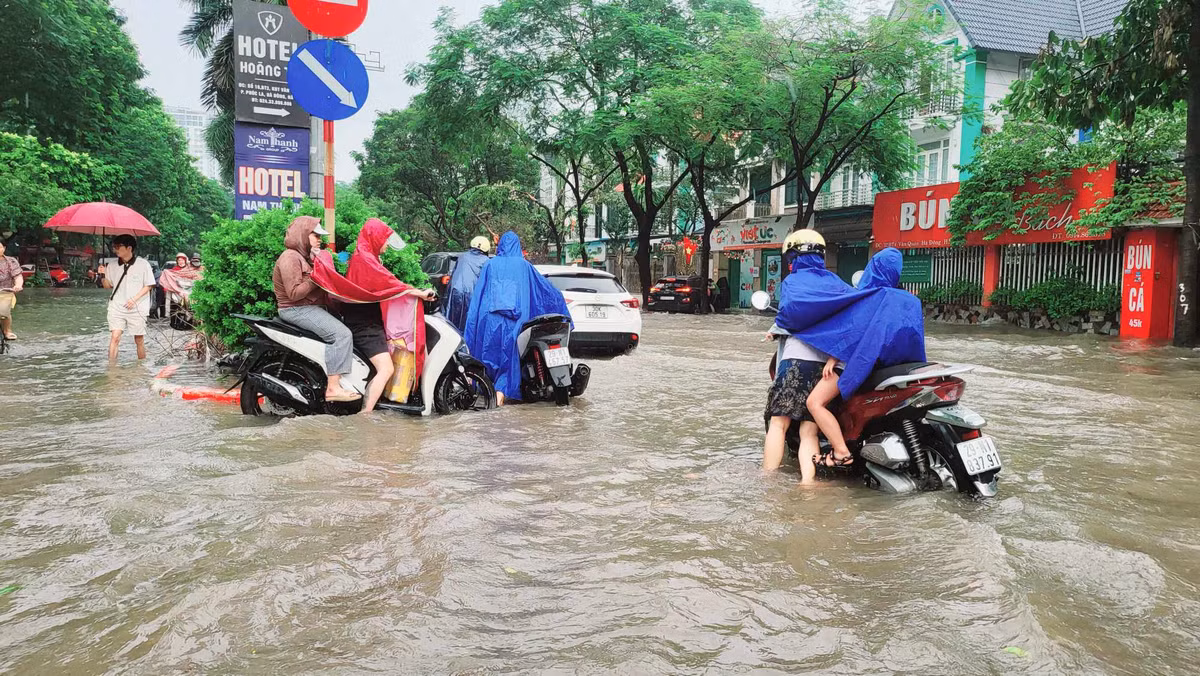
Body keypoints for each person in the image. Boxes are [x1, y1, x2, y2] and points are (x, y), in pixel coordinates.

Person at [776, 243, 925, 469]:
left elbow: (851, 332)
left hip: (860, 364)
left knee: (814, 403)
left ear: (873, 269)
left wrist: (834, 357)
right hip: (896, 369)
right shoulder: (911, 300)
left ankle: (841, 451)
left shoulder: (871, 295)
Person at [311, 219, 435, 414]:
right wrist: (418, 293)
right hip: (365, 325)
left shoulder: (367, 257)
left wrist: (413, 291)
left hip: (368, 322)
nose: (386, 245)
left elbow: (387, 283)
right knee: (387, 369)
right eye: (384, 240)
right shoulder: (365, 260)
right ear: (375, 238)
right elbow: (389, 283)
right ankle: (365, 414)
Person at [762, 231, 850, 480]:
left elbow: (789, 315)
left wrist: (774, 329)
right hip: (826, 367)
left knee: (779, 424)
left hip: (795, 362)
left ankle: (768, 481)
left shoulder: (792, 281)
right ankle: (808, 484)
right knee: (809, 432)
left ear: (793, 256)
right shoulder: (836, 282)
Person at [463, 230, 569, 405]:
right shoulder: (524, 266)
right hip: (515, 322)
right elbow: (542, 290)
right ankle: (501, 393)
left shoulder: (490, 265)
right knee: (510, 358)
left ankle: (487, 390)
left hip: (489, 322)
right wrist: (560, 302)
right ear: (518, 245)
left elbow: (478, 296)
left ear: (501, 246)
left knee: (488, 356)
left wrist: (472, 323)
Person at [272, 216, 360, 403]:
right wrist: (316, 276)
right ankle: (333, 388)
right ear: (303, 234)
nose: (320, 239)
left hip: (310, 308)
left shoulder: (303, 256)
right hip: (296, 309)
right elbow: (294, 293)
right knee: (341, 335)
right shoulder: (290, 257)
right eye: (315, 235)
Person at [100, 234, 156, 361]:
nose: (115, 249)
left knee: (139, 339)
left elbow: (149, 285)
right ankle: (112, 370)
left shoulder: (143, 264)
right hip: (117, 306)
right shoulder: (112, 265)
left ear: (129, 248)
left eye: (119, 246)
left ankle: (141, 368)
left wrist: (134, 299)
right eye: (115, 246)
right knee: (115, 336)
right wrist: (102, 275)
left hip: (137, 306)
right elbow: (107, 286)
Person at [442, 235, 491, 332]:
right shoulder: (486, 261)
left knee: (452, 319)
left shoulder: (462, 257)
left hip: (455, 291)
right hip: (472, 294)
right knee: (468, 322)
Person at [0, 240, 23, 341]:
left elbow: (18, 276)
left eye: (0, 247)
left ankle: (7, 331)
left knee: (4, 312)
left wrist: (18, 285)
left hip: (5, 292)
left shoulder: (11, 261)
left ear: (4, 249)